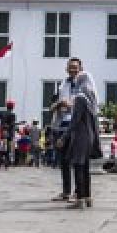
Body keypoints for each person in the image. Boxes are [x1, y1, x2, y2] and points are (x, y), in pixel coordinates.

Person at [50, 58, 97, 200]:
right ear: (66, 69)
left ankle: (80, 192)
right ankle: (67, 191)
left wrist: (70, 104)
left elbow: (88, 105)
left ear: (80, 69)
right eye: (70, 67)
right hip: (63, 124)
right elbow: (52, 106)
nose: (73, 70)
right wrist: (60, 103)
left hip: (78, 127)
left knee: (80, 162)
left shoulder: (86, 85)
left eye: (75, 67)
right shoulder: (63, 85)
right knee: (64, 160)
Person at [66, 93, 101, 209]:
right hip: (88, 138)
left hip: (81, 138)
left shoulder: (80, 100)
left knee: (78, 168)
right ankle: (88, 197)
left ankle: (80, 199)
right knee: (85, 169)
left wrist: (64, 136)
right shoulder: (90, 106)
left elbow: (74, 121)